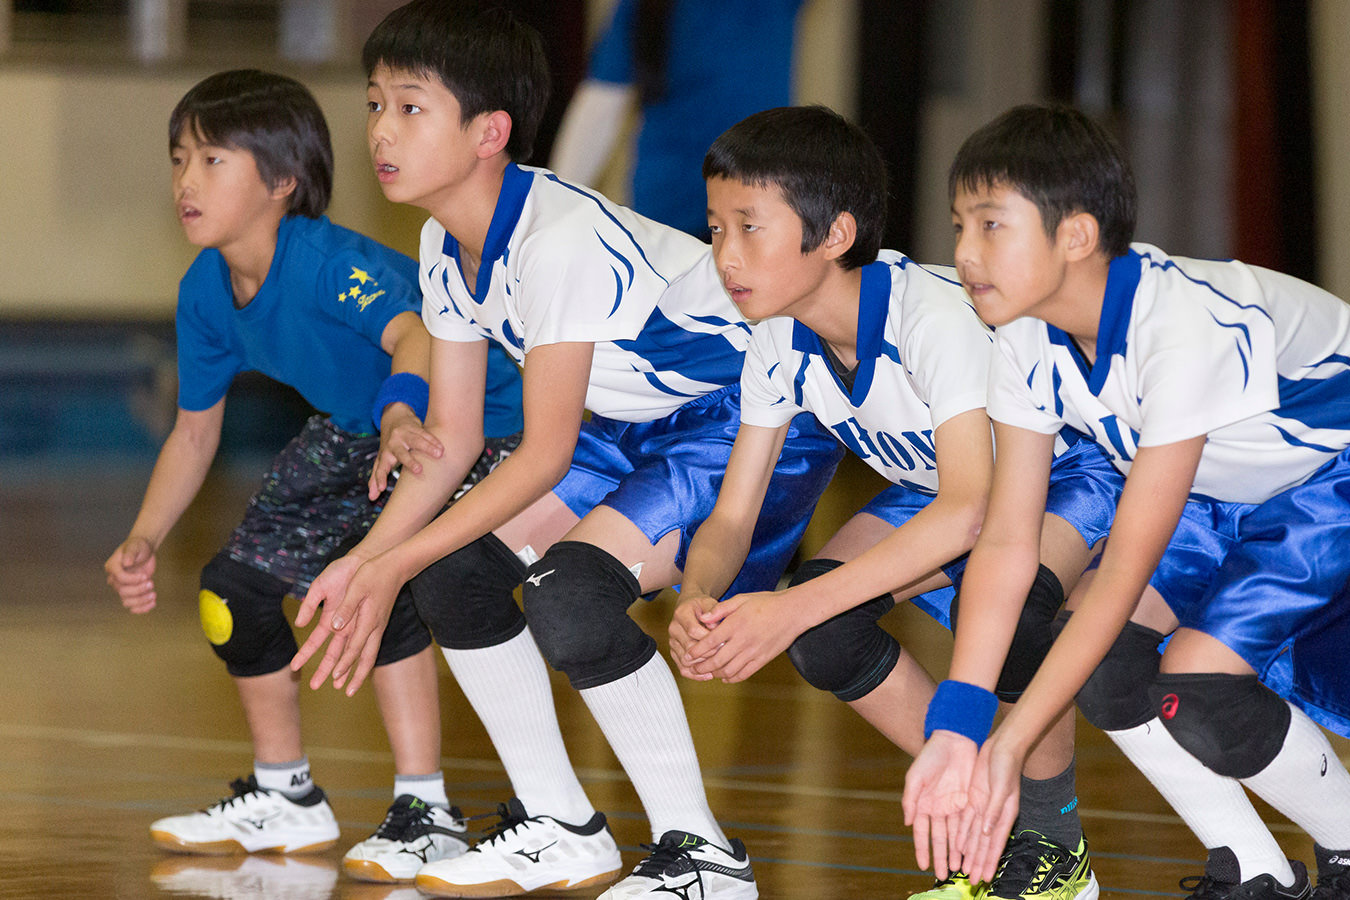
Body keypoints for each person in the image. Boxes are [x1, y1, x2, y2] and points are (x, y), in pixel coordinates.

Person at [288, 3, 839, 898]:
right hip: (624, 431)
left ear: (489, 132)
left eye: (410, 108)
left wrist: (388, 564)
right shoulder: (441, 243)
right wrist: (369, 558)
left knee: (570, 596)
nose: (381, 131)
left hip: (740, 420)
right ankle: (562, 823)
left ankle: (703, 855)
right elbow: (458, 435)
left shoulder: (554, 240)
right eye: (375, 104)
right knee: (455, 575)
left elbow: (542, 456)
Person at [901, 104, 1350, 900]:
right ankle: (1254, 871)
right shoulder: (1023, 336)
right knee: (1105, 664)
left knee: (1201, 682)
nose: (964, 254)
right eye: (958, 226)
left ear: (1075, 235)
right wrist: (962, 719)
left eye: (991, 225)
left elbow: (1121, 575)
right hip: (1219, 484)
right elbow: (1008, 540)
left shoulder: (1181, 323)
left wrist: (1007, 748)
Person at [670, 105, 1107, 900]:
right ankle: (985, 814)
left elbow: (976, 511)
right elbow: (733, 516)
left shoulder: (932, 317)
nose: (725, 256)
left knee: (1002, 607)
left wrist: (785, 610)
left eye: (748, 228)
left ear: (834, 235)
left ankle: (1055, 850)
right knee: (822, 628)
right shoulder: (775, 337)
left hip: (1066, 478)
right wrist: (701, 597)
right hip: (949, 495)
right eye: (714, 229)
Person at [103, 68, 522, 883]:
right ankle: (284, 795)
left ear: (283, 182)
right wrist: (143, 537)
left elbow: (418, 338)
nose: (187, 181)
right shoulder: (204, 291)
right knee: (234, 590)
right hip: (358, 428)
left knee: (378, 586)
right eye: (179, 159)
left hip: (462, 423)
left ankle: (425, 808)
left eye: (214, 161)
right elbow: (194, 436)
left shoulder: (327, 262)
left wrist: (403, 416)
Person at [550, 0, 805, 239]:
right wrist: (552, 212)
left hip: (759, 209)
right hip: (668, 216)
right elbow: (600, 106)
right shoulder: (641, 7)